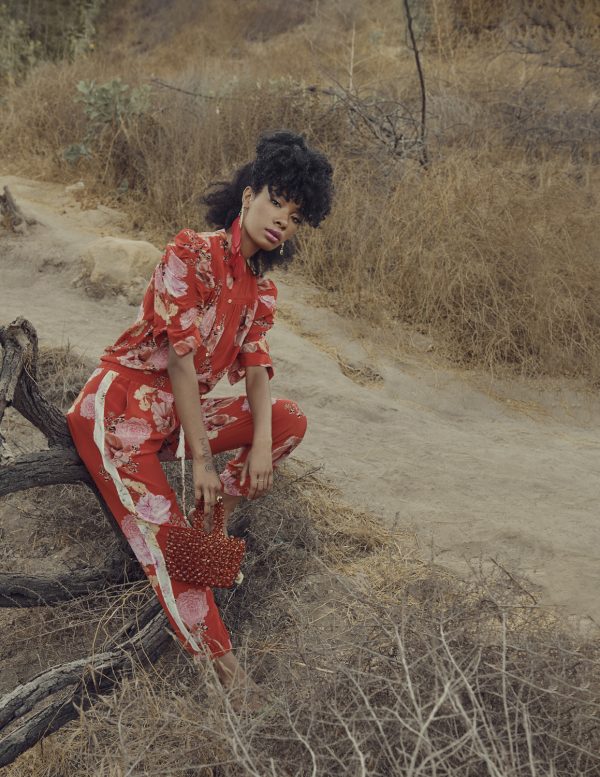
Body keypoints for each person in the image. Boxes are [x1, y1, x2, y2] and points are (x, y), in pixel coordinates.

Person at [66, 130, 334, 703]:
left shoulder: (259, 291)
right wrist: (206, 463)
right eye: (276, 201)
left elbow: (257, 372)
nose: (282, 220)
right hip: (119, 413)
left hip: (172, 421)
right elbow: (181, 365)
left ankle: (213, 519)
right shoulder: (190, 253)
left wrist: (259, 451)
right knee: (171, 550)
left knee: (287, 419)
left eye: (295, 216)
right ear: (248, 195)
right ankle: (231, 681)